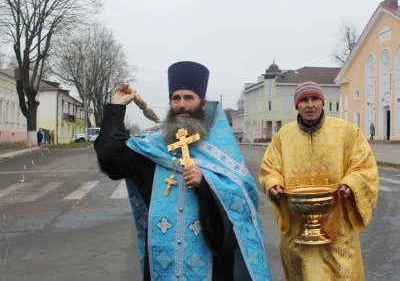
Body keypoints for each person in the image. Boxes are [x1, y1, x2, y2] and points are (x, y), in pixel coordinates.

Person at [94, 61, 271, 281]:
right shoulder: (154, 148)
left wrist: (205, 183)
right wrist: (116, 107)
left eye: (189, 98)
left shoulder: (219, 153)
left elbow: (243, 203)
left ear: (203, 104)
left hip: (212, 264)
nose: (181, 104)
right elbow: (112, 159)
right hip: (162, 265)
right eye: (176, 98)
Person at [259, 81, 379, 280]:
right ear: (296, 105)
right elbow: (270, 168)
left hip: (338, 231)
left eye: (315, 99)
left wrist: (351, 183)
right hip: (298, 234)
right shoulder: (283, 137)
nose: (310, 104)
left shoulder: (347, 132)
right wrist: (273, 184)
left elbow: (364, 166)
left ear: (322, 103)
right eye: (304, 100)